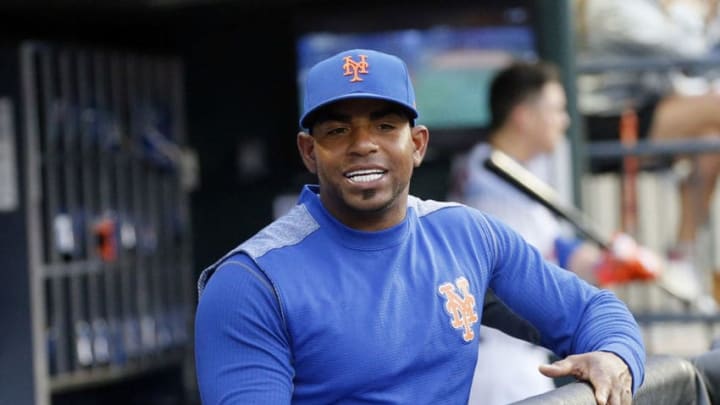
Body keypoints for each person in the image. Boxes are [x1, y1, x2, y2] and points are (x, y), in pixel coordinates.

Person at [194, 49, 645, 405]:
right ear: (309, 152)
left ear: (417, 144)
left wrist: (616, 357)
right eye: (337, 131)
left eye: (386, 126)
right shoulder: (250, 283)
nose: (363, 144)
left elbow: (592, 312)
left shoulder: (467, 235)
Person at [449, 60, 658, 405]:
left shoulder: (509, 169)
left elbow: (554, 249)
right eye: (556, 110)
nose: (565, 121)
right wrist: (606, 267)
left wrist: (612, 261)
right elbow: (535, 277)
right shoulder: (490, 188)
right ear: (523, 116)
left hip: (515, 357)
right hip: (499, 361)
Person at [574, 0, 720, 268]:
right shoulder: (611, 6)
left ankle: (681, 257)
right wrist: (692, 7)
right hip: (604, 121)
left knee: (711, 139)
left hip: (639, 113)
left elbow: (683, 74)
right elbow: (687, 48)